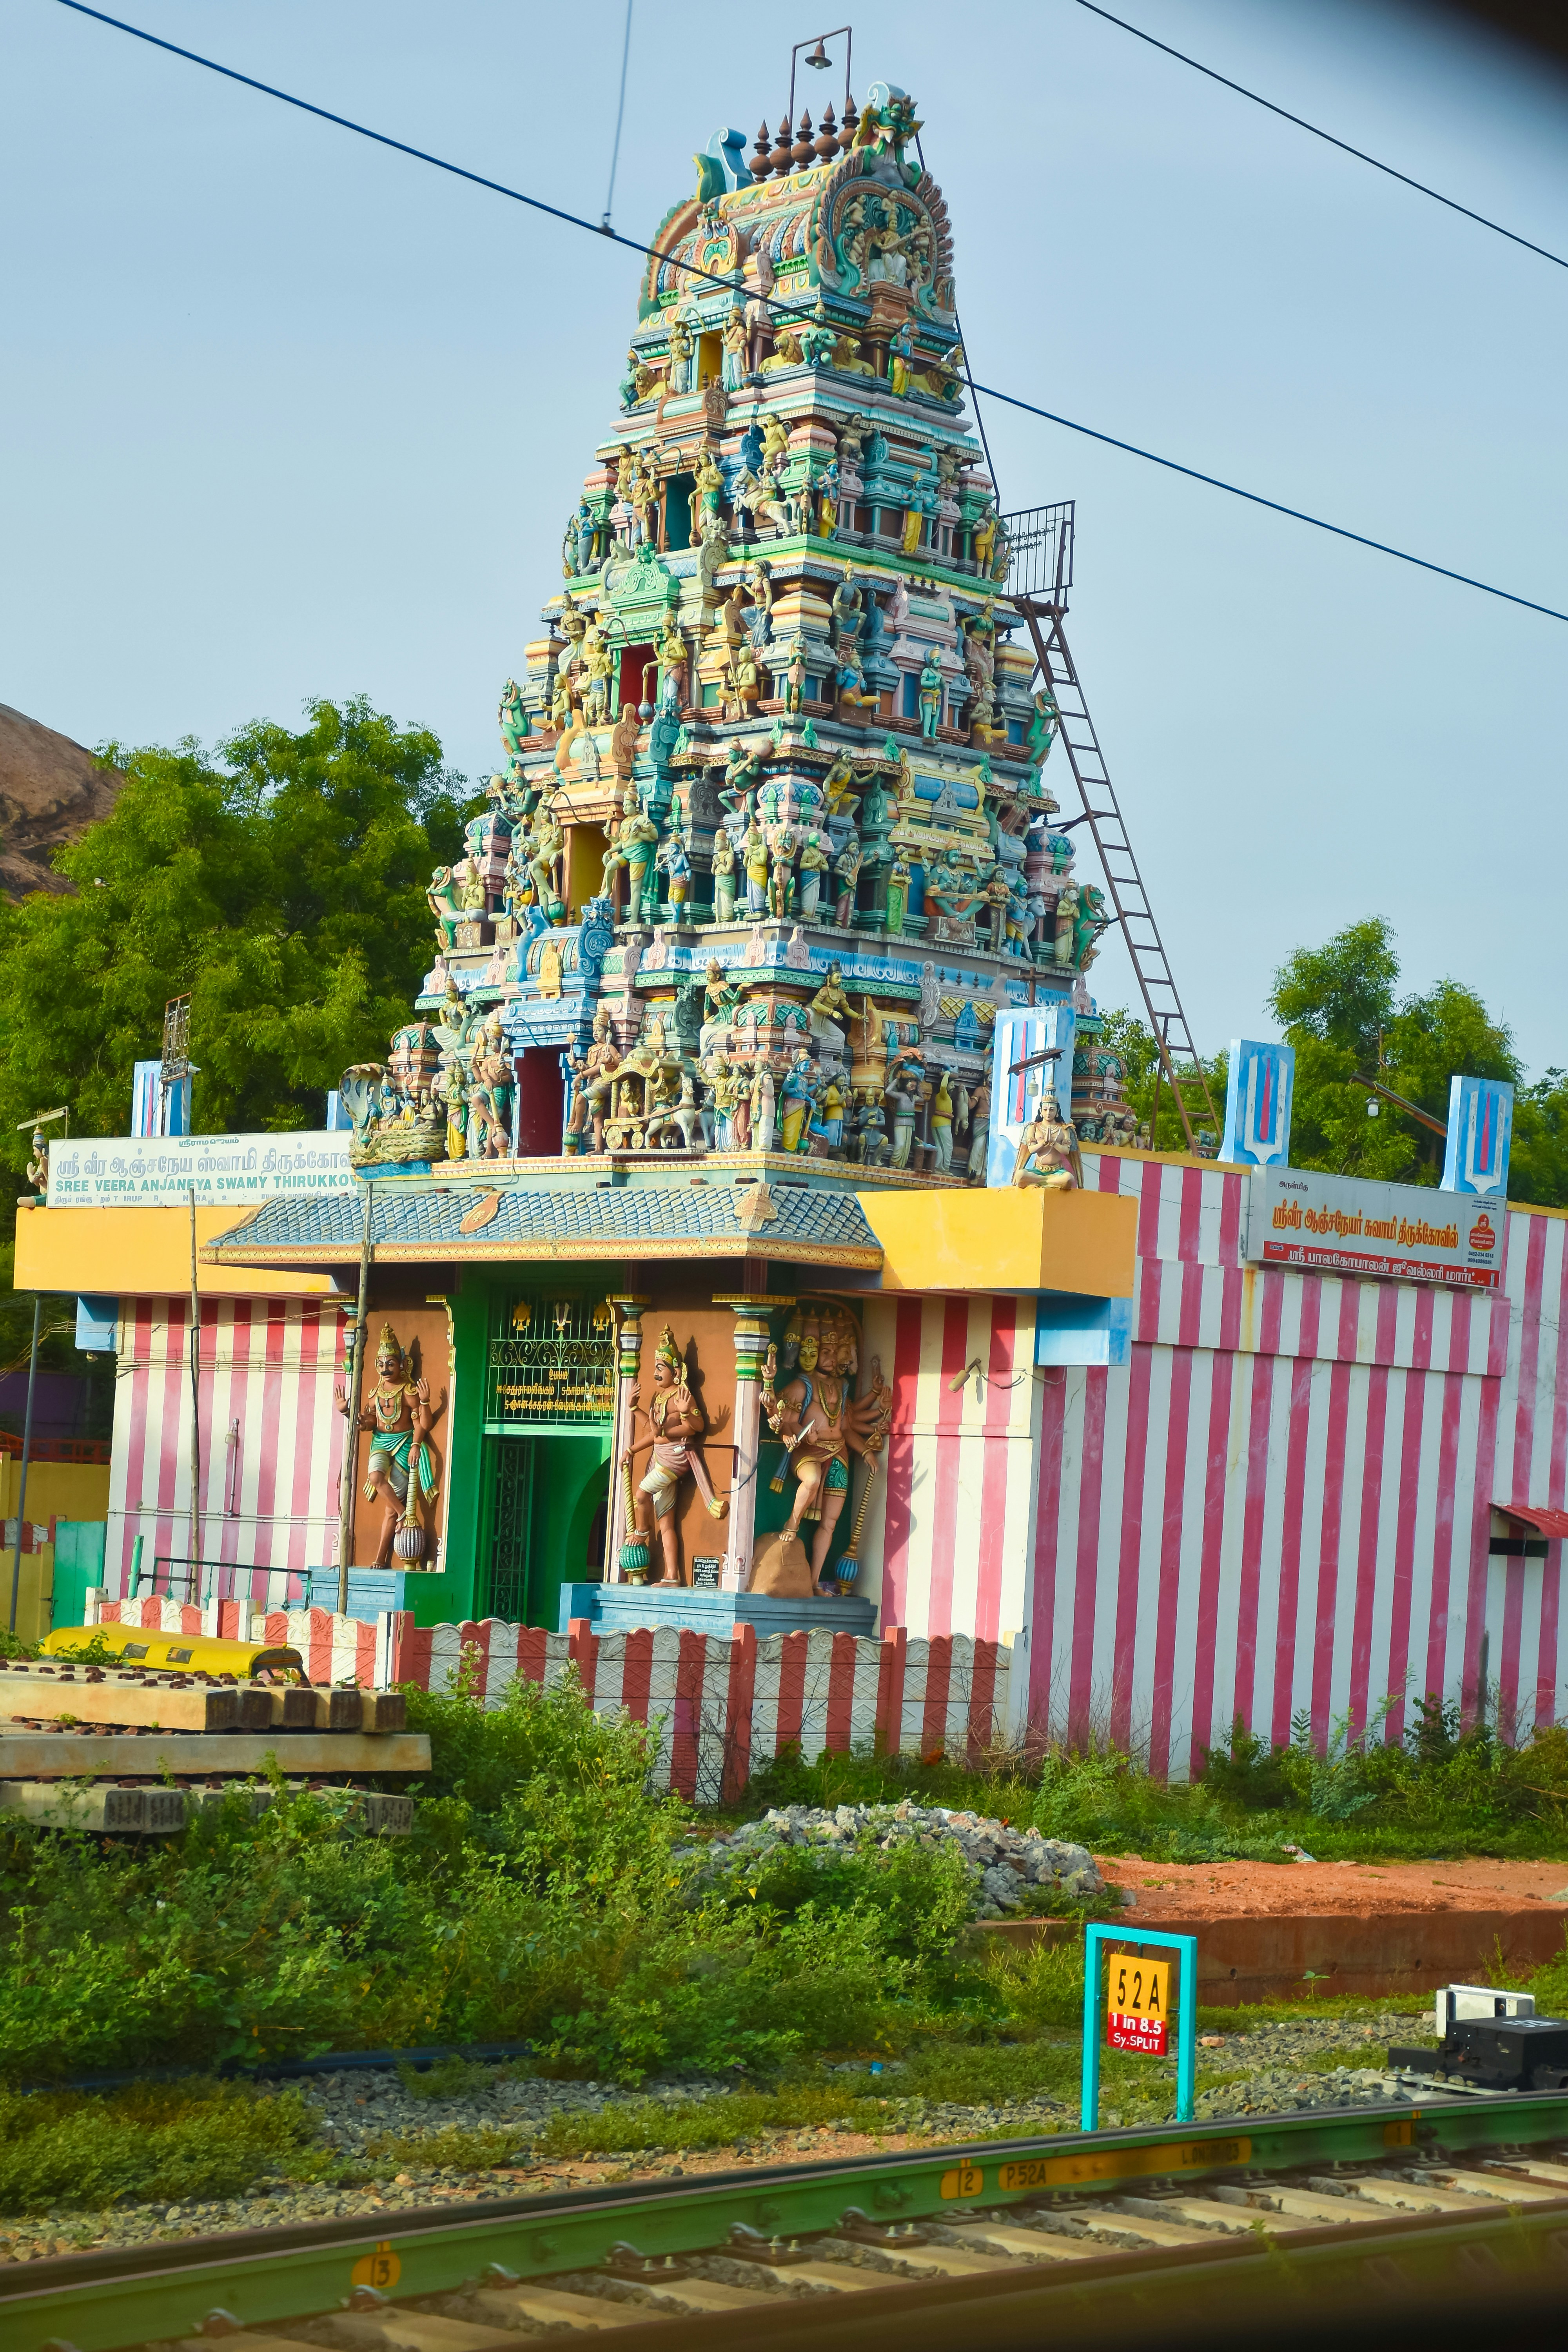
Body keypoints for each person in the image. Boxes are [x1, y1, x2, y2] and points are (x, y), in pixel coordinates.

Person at [335, 1323, 445, 1570]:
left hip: (405, 1445)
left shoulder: (408, 1391)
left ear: (402, 1365)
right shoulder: (374, 1393)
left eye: (391, 1364)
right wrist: (348, 1413)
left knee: (389, 1512)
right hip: (381, 1444)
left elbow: (423, 1424)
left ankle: (381, 1558)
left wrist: (423, 1410)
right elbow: (369, 1423)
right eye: (381, 1364)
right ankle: (404, 1513)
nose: (385, 1369)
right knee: (375, 1477)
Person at [627, 1325, 725, 1585]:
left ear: (677, 1372)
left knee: (641, 1495)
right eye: (656, 1368)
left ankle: (641, 1531)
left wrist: (682, 1415)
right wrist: (634, 1409)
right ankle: (672, 1576)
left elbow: (697, 1427)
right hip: (660, 1458)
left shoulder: (682, 1395)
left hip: (675, 1459)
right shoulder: (660, 1398)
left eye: (661, 1368)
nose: (656, 1373)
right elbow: (652, 1431)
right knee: (666, 1523)